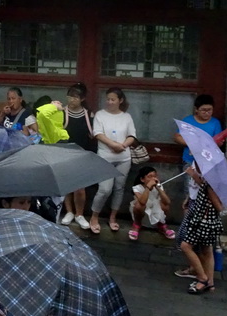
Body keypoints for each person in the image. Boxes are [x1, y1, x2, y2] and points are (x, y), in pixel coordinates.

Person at [89, 87, 136, 234]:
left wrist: (122, 145)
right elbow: (97, 133)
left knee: (119, 188)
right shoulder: (100, 115)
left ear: (120, 101)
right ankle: (94, 216)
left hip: (124, 158)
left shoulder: (126, 117)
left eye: (113, 99)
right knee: (104, 189)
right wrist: (113, 144)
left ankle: (113, 217)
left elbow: (132, 135)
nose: (109, 102)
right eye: (108, 99)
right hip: (105, 157)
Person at [177, 164, 224, 294]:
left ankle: (202, 277)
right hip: (207, 222)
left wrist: (210, 202)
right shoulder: (208, 183)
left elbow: (219, 207)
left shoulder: (211, 186)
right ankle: (210, 283)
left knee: (186, 246)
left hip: (204, 222)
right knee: (207, 250)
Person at [59, 83, 95, 227]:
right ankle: (69, 212)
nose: (71, 100)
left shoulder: (88, 114)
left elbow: (92, 136)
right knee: (67, 185)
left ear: (82, 98)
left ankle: (79, 214)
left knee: (80, 187)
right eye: (70, 96)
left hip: (82, 154)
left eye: (75, 97)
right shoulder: (62, 113)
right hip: (65, 153)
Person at [174, 94, 222, 198]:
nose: (207, 113)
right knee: (189, 191)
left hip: (208, 162)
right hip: (190, 161)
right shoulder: (188, 121)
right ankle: (187, 212)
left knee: (206, 191)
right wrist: (193, 143)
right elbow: (177, 137)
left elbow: (219, 140)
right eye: (203, 110)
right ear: (196, 109)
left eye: (210, 110)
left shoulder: (215, 123)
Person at [128, 166, 175, 242]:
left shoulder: (159, 186)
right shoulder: (137, 188)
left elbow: (167, 201)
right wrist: (148, 187)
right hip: (143, 211)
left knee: (165, 204)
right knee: (138, 205)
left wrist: (158, 188)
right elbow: (142, 202)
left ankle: (161, 225)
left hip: (155, 210)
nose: (153, 179)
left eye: (155, 176)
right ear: (142, 179)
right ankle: (136, 225)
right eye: (149, 177)